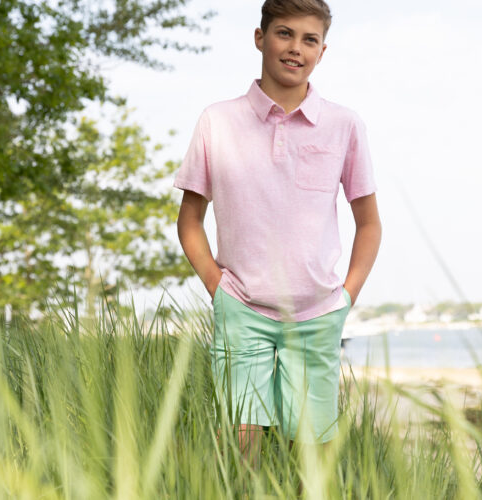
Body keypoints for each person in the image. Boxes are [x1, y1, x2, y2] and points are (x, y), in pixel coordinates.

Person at [175, 0, 381, 467]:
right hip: (242, 310)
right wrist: (216, 285)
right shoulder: (217, 121)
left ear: (322, 51)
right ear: (259, 38)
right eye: (284, 34)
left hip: (317, 315)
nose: (296, 48)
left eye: (309, 39)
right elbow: (191, 219)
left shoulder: (343, 125)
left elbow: (369, 223)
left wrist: (345, 297)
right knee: (240, 454)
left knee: (314, 462)